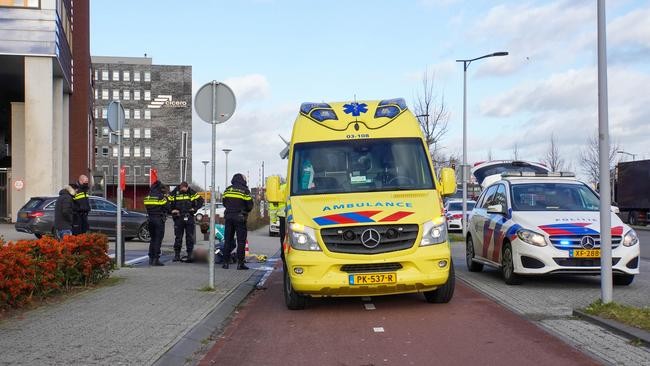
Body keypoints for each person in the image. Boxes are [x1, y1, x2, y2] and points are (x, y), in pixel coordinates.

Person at [222, 173, 254, 270]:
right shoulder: (244, 190)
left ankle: (225, 263)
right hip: (240, 217)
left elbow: (224, 202)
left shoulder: (228, 189)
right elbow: (249, 205)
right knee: (241, 241)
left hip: (228, 217)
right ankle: (240, 264)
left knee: (227, 240)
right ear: (242, 180)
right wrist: (244, 211)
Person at [169, 182, 204, 262]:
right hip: (178, 217)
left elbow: (201, 200)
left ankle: (189, 255)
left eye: (185, 189)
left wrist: (195, 209)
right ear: (180, 188)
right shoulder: (175, 192)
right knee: (178, 237)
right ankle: (177, 255)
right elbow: (167, 202)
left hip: (189, 216)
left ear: (187, 187)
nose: (183, 190)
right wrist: (172, 210)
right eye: (182, 189)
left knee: (189, 237)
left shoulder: (191, 192)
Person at [144, 180, 169, 266]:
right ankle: (156, 259)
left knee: (153, 239)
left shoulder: (147, 197)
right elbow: (167, 207)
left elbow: (147, 206)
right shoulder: (161, 197)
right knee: (158, 239)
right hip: (159, 219)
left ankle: (151, 258)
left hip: (150, 219)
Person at [277, 182, 287, 262]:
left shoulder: (281, 188)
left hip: (282, 216)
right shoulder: (298, 186)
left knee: (283, 237)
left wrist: (273, 218)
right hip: (294, 215)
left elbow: (274, 204)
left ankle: (283, 255)